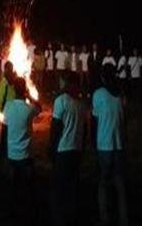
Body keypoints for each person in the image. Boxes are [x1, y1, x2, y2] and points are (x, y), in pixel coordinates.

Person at [91, 65, 128, 226]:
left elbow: (94, 120)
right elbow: (124, 119)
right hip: (119, 144)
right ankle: (123, 218)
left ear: (103, 77)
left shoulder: (99, 94)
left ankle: (105, 218)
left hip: (104, 145)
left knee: (103, 182)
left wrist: (93, 143)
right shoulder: (121, 95)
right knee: (120, 183)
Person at [50, 71, 86, 226]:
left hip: (63, 151)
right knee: (73, 186)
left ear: (70, 84)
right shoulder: (80, 104)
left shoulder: (61, 101)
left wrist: (51, 148)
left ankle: (61, 218)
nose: (62, 85)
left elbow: (56, 127)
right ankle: (73, 216)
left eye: (65, 83)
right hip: (76, 151)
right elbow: (84, 131)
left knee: (61, 188)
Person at [3, 77, 42, 223]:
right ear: (24, 90)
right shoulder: (29, 108)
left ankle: (12, 213)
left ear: (13, 90)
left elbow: (5, 130)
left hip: (12, 154)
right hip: (26, 155)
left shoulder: (8, 106)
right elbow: (39, 107)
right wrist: (29, 96)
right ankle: (27, 215)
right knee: (26, 187)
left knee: (13, 187)